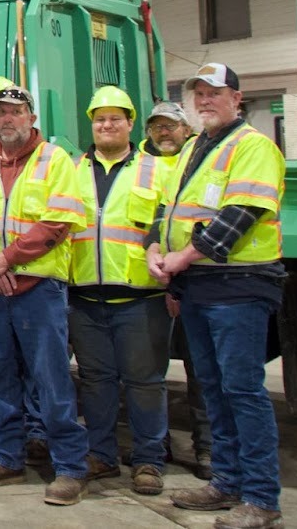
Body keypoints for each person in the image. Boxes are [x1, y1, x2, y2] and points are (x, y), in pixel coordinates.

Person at [149, 64, 287, 529]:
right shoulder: (194, 147)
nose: (206, 100)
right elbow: (166, 209)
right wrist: (155, 247)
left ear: (237, 98)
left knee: (243, 391)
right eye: (199, 94)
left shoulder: (253, 147)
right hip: (201, 288)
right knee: (212, 389)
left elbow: (239, 216)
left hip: (240, 286)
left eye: (215, 93)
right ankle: (226, 482)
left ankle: (262, 498)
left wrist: (181, 258)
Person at [0, 86, 91, 505]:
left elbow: (57, 223)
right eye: (0, 112)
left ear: (31, 116)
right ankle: (6, 458)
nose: (7, 118)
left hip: (38, 289)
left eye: (15, 111)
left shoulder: (55, 159)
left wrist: (6, 260)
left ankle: (69, 467)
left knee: (50, 379)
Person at [68, 86, 170, 496]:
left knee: (145, 381)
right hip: (85, 296)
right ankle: (101, 456)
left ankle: (148, 461)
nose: (106, 125)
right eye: (99, 119)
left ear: (130, 123)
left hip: (140, 296)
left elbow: (168, 221)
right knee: (95, 381)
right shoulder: (72, 169)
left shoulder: (157, 170)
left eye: (115, 118)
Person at [141, 100, 211, 479]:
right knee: (151, 372)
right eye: (157, 126)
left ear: (187, 129)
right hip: (152, 281)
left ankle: (208, 449)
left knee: (202, 370)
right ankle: (156, 443)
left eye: (171, 125)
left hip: (195, 278)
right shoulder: (140, 165)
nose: (164, 132)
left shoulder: (201, 161)